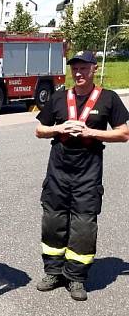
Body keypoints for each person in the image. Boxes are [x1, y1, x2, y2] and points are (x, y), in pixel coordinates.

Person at [34, 50, 129, 301]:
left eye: (84, 68)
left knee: (83, 225)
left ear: (94, 69)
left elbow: (123, 133)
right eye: (75, 68)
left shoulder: (107, 99)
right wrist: (58, 127)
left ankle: (76, 277)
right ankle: (53, 272)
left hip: (88, 172)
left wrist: (92, 133)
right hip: (58, 170)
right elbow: (39, 130)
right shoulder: (58, 98)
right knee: (53, 221)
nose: (78, 73)